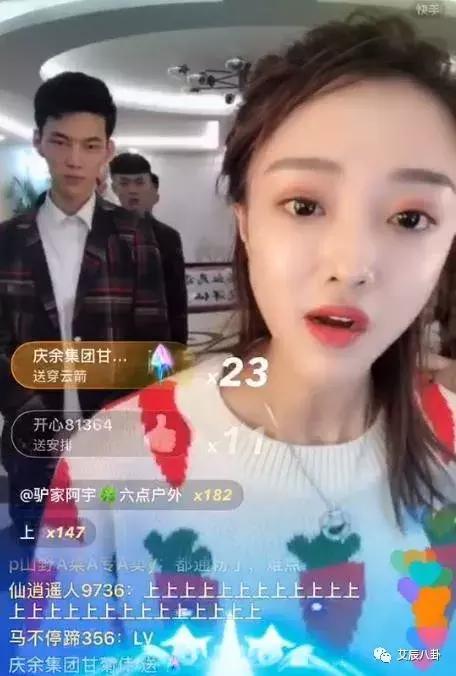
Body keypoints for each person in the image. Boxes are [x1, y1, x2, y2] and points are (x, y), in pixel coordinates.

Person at [23, 14, 456, 674]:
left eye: (411, 217)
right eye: (304, 205)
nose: (352, 266)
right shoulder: (110, 459)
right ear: (246, 221)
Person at [0, 71, 170, 537]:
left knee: (119, 558)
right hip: (32, 445)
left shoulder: (136, 237)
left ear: (107, 150)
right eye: (61, 142)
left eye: (90, 145)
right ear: (38, 141)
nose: (75, 160)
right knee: (37, 561)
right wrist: (37, 419)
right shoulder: (7, 242)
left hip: (119, 443)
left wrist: (121, 422)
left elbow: (154, 346)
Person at [110, 152, 188, 345]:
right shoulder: (101, 233)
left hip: (156, 337)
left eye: (139, 183)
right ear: (114, 188)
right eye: (124, 183)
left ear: (150, 187)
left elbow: (176, 299)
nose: (132, 190)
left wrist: (178, 347)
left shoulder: (168, 237)